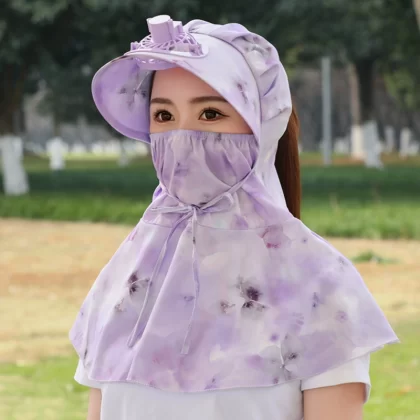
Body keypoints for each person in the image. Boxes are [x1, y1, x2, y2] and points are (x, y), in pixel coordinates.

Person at [70, 15, 398, 420]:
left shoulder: (321, 287)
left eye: (210, 114)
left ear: (261, 125)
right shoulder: (126, 281)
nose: (182, 138)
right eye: (164, 116)